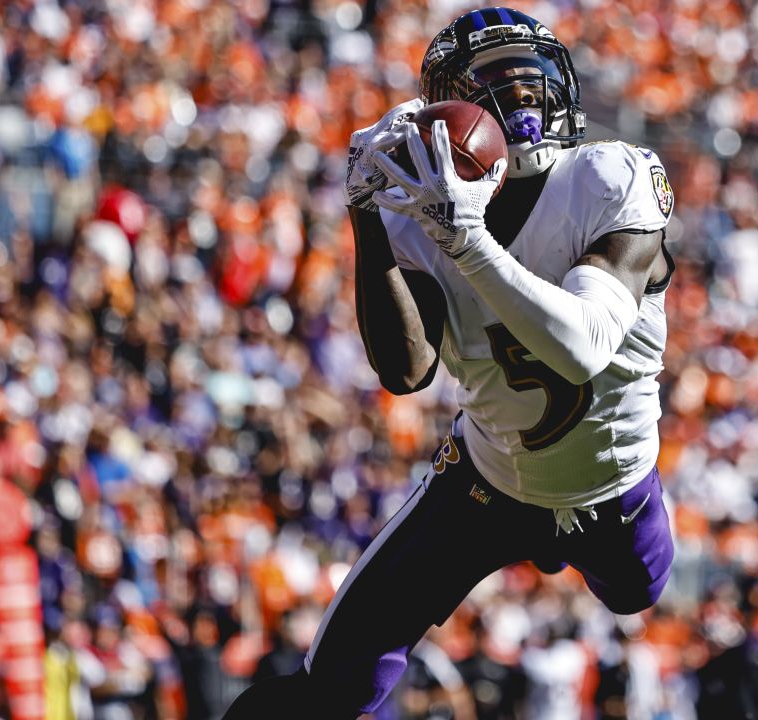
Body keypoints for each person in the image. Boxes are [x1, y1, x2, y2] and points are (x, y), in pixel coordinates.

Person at [224, 7, 676, 718]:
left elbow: (584, 344)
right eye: (500, 84)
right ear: (449, 108)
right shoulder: (421, 214)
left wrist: (467, 239)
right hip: (486, 479)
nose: (525, 98)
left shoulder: (610, 177)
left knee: (635, 594)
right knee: (335, 679)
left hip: (611, 485)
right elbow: (406, 373)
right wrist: (368, 217)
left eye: (533, 82)